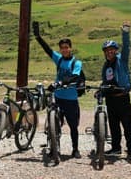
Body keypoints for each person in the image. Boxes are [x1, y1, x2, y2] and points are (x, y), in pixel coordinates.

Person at [32, 21, 83, 159]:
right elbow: (47, 49)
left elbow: (74, 77)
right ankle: (54, 147)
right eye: (62, 48)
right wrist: (38, 36)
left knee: (73, 126)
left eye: (66, 47)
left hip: (71, 98)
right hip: (58, 97)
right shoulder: (59, 59)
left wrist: (59, 82)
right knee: (54, 125)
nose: (64, 50)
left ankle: (75, 149)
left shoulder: (76, 63)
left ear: (70, 48)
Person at [100, 21, 131, 159]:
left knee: (127, 125)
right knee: (114, 126)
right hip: (111, 99)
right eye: (107, 51)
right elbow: (105, 81)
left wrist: (125, 33)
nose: (109, 52)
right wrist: (101, 90)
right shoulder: (106, 66)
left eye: (111, 50)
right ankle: (116, 148)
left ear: (115, 51)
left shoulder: (122, 60)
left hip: (122, 97)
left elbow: (126, 47)